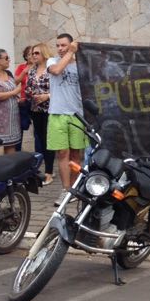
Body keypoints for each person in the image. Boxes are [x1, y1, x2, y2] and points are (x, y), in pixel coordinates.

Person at [47, 33, 88, 194]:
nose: (60, 49)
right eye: (57, 45)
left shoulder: (80, 65)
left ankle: (74, 188)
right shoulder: (52, 61)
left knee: (76, 153)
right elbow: (56, 71)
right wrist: (70, 52)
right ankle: (65, 189)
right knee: (62, 152)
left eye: (63, 45)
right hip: (57, 114)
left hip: (76, 114)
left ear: (71, 45)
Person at [24, 42, 54, 184]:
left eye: (36, 53)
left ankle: (49, 172)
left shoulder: (51, 69)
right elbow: (27, 88)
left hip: (50, 109)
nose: (33, 56)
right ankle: (43, 169)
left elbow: (59, 89)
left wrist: (46, 96)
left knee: (49, 141)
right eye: (32, 53)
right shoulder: (31, 70)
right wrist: (31, 94)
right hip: (36, 109)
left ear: (44, 53)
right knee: (41, 139)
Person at [15, 45, 34, 135]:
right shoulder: (21, 67)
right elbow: (16, 82)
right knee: (21, 125)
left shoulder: (40, 67)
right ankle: (18, 149)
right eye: (29, 54)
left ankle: (39, 149)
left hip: (37, 100)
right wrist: (24, 72)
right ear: (26, 57)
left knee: (39, 128)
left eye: (34, 53)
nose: (32, 56)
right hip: (24, 100)